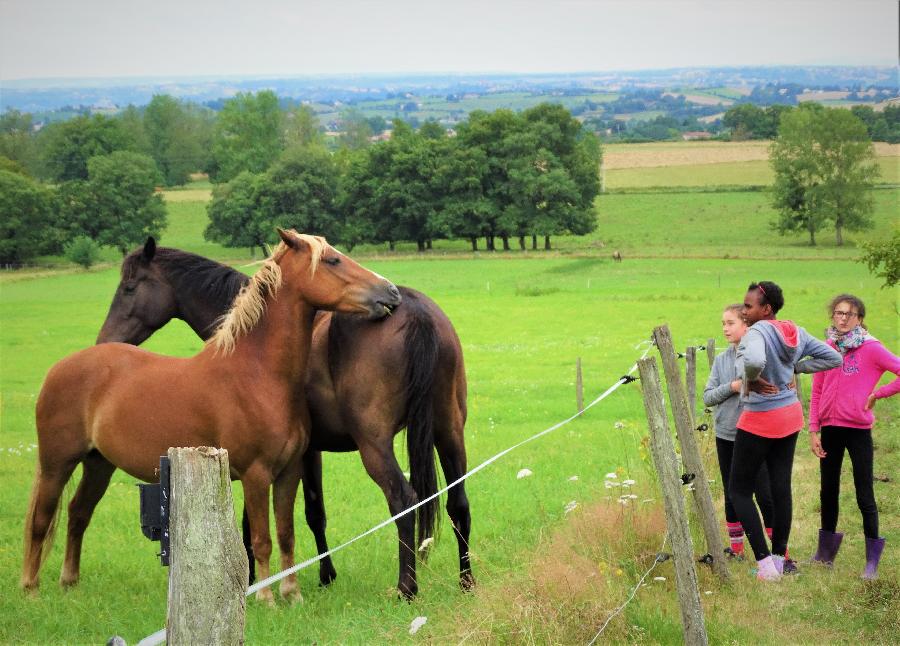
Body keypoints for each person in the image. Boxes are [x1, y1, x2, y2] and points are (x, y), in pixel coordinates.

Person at [730, 281, 842, 581]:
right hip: (790, 415)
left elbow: (753, 360)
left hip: (761, 417)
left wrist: (750, 378)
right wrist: (797, 368)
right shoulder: (795, 331)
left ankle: (765, 564)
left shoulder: (756, 331)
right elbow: (834, 358)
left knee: (739, 490)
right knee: (781, 487)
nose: (744, 309)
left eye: (749, 305)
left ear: (766, 309)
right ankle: (779, 559)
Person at [808, 293, 899, 579]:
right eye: (838, 313)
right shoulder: (828, 347)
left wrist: (878, 394)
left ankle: (871, 562)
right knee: (828, 490)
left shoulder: (872, 348)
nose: (843, 318)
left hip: (858, 430)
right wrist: (813, 428)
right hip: (830, 429)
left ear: (859, 318)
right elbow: (817, 391)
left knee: (864, 494)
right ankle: (825, 555)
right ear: (832, 316)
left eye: (849, 314)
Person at [704, 304, 777, 561]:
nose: (725, 328)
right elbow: (708, 397)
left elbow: (771, 390)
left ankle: (781, 552)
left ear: (747, 325)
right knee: (731, 492)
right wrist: (732, 387)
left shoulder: (758, 357)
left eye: (731, 323)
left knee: (764, 493)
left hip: (754, 435)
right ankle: (736, 549)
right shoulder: (722, 360)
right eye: (723, 323)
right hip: (725, 434)